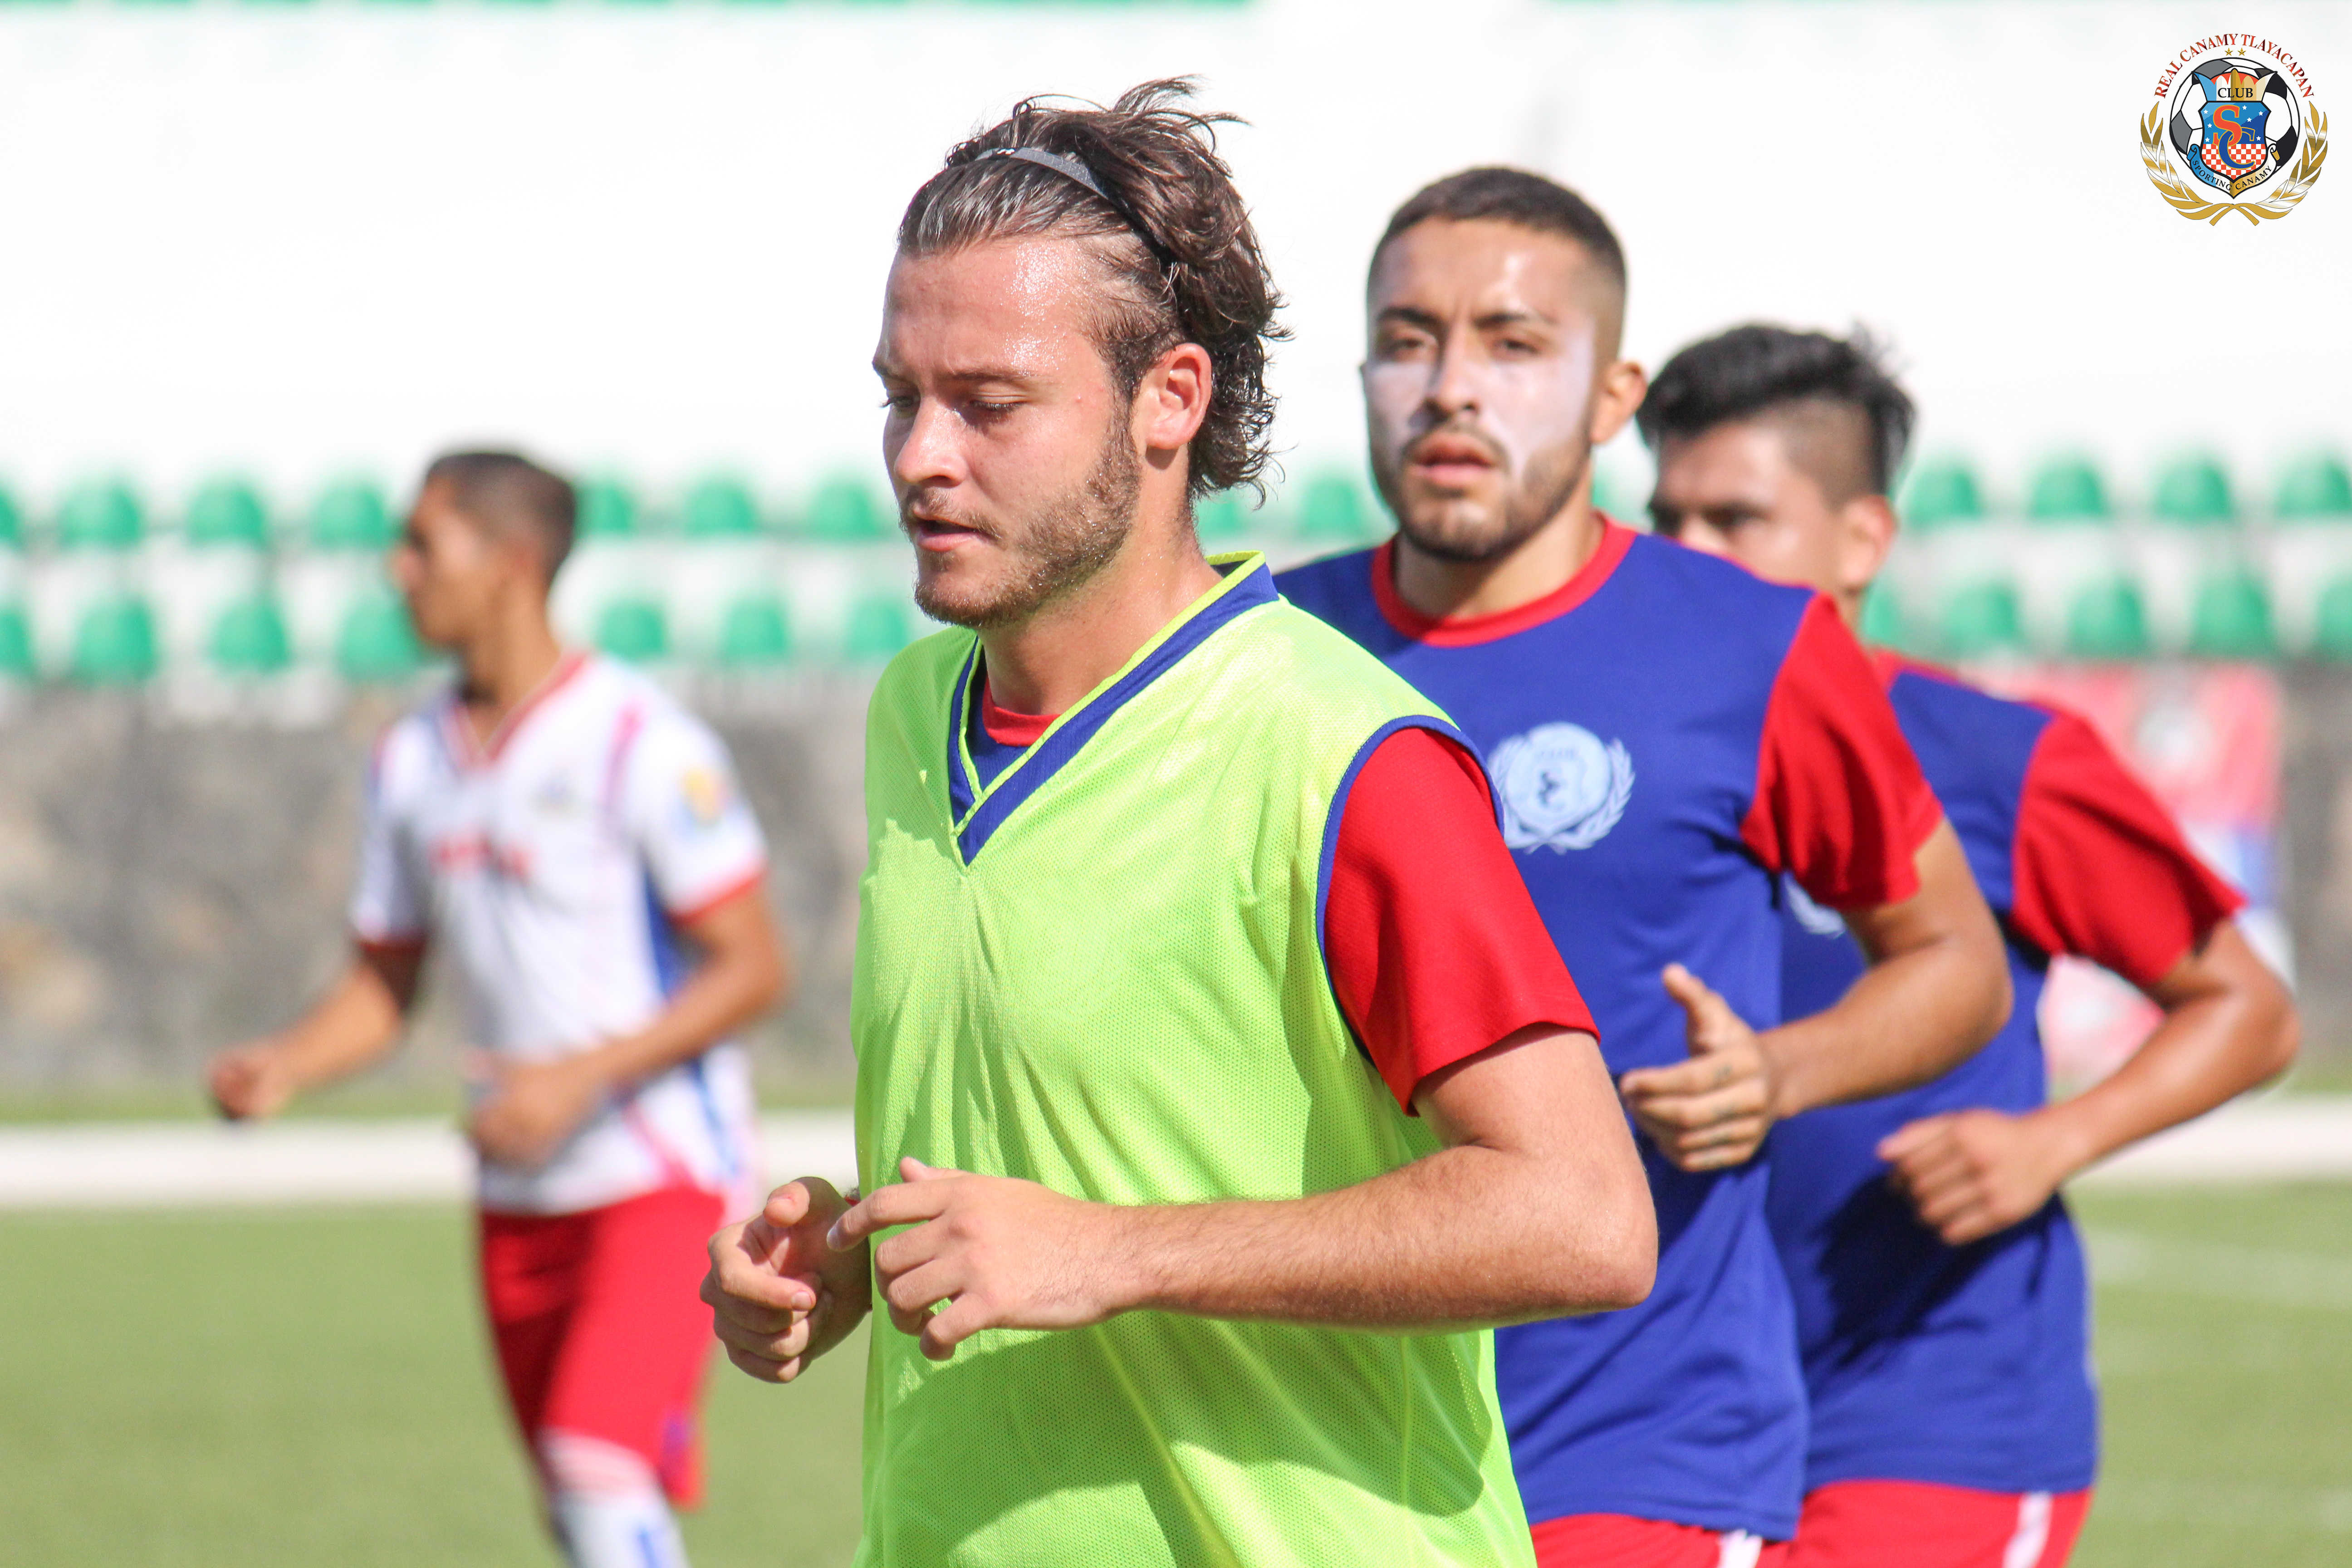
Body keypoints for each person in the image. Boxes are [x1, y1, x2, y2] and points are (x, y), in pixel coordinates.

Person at [699, 83, 1656, 1568]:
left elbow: (1583, 1215)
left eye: (989, 403)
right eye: (901, 396)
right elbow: (1039, 1155)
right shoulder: (908, 714)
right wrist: (842, 1256)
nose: (920, 456)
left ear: (1171, 398)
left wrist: (1114, 1253)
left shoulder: (1340, 751)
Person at [1278, 168, 2014, 1568]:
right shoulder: (1268, 650)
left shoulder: (1755, 646)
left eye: (1512, 343)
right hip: (1332, 1451)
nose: (1450, 387)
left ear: (1614, 396)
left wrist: (1777, 1074)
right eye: (1409, 340)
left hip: (1637, 1456)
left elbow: (1956, 964)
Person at [1641, 324, 2300, 1568]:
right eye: (1667, 518)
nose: (1689, 555)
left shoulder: (1996, 758)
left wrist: (2055, 1140)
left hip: (1930, 1417)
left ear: (1863, 540)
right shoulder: (1630, 761)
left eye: (1738, 520)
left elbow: (2249, 1009)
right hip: (1676, 1415)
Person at [207, 451, 789, 1568]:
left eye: (424, 544)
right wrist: (284, 1063)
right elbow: (385, 982)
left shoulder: (638, 740)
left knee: (594, 1464)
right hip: (518, 1192)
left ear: (512, 563)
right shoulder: (410, 758)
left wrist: (577, 1078)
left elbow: (755, 967)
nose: (399, 569)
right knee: (577, 1502)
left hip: (658, 1177)